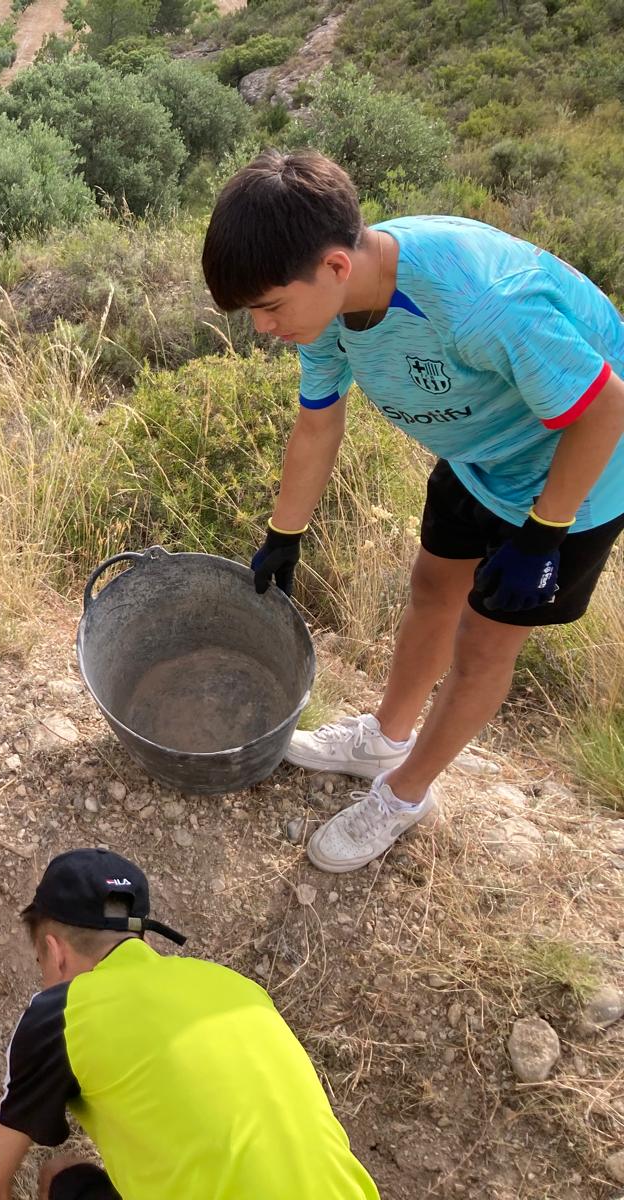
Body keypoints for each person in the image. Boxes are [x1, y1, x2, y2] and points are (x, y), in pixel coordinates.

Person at [202, 150, 624, 874]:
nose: (263, 328)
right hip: (478, 455)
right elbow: (318, 423)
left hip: (578, 477)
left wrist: (542, 535)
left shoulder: (480, 301)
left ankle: (404, 794)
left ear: (335, 266)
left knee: (484, 643)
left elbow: (607, 408)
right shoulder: (330, 307)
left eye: (269, 307)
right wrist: (284, 533)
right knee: (432, 587)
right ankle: (385, 738)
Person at [0, 849, 380, 1200]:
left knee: (61, 1177)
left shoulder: (60, 1015)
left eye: (41, 964)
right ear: (142, 938)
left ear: (55, 954)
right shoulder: (237, 986)